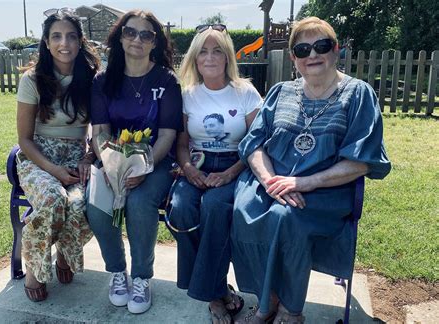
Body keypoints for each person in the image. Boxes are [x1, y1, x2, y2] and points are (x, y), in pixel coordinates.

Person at [230, 17, 391, 323]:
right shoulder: (280, 92)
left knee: (285, 218)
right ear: (293, 57)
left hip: (325, 191)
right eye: (302, 49)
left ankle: (290, 310)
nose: (312, 55)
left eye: (322, 45)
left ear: (336, 49)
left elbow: (362, 160)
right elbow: (254, 145)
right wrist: (269, 181)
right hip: (272, 182)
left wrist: (304, 183)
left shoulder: (358, 94)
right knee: (241, 210)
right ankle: (269, 299)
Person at [88, 10, 183, 314]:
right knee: (97, 203)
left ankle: (141, 277)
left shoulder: (167, 81)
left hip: (156, 162)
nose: (137, 40)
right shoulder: (103, 80)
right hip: (114, 160)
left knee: (140, 202)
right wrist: (110, 164)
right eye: (130, 32)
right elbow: (100, 132)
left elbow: (168, 135)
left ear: (155, 42)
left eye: (146, 34)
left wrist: (142, 167)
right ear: (120, 36)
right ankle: (117, 272)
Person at [167, 23, 263, 324]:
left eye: (217, 51)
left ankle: (212, 296)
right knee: (181, 209)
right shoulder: (188, 95)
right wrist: (188, 168)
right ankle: (219, 290)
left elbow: (257, 142)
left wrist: (232, 172)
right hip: (196, 163)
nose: (210, 57)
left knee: (214, 206)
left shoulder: (245, 92)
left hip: (237, 164)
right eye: (203, 52)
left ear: (227, 57)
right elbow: (182, 143)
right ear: (195, 59)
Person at [16, 9, 100, 302]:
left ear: (80, 42)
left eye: (71, 36)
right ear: (47, 42)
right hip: (38, 159)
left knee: (82, 205)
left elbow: (99, 132)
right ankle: (35, 269)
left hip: (76, 159)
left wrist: (88, 158)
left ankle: (65, 253)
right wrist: (53, 170)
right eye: (57, 36)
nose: (64, 43)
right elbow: (24, 140)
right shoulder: (32, 80)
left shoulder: (93, 81)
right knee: (53, 198)